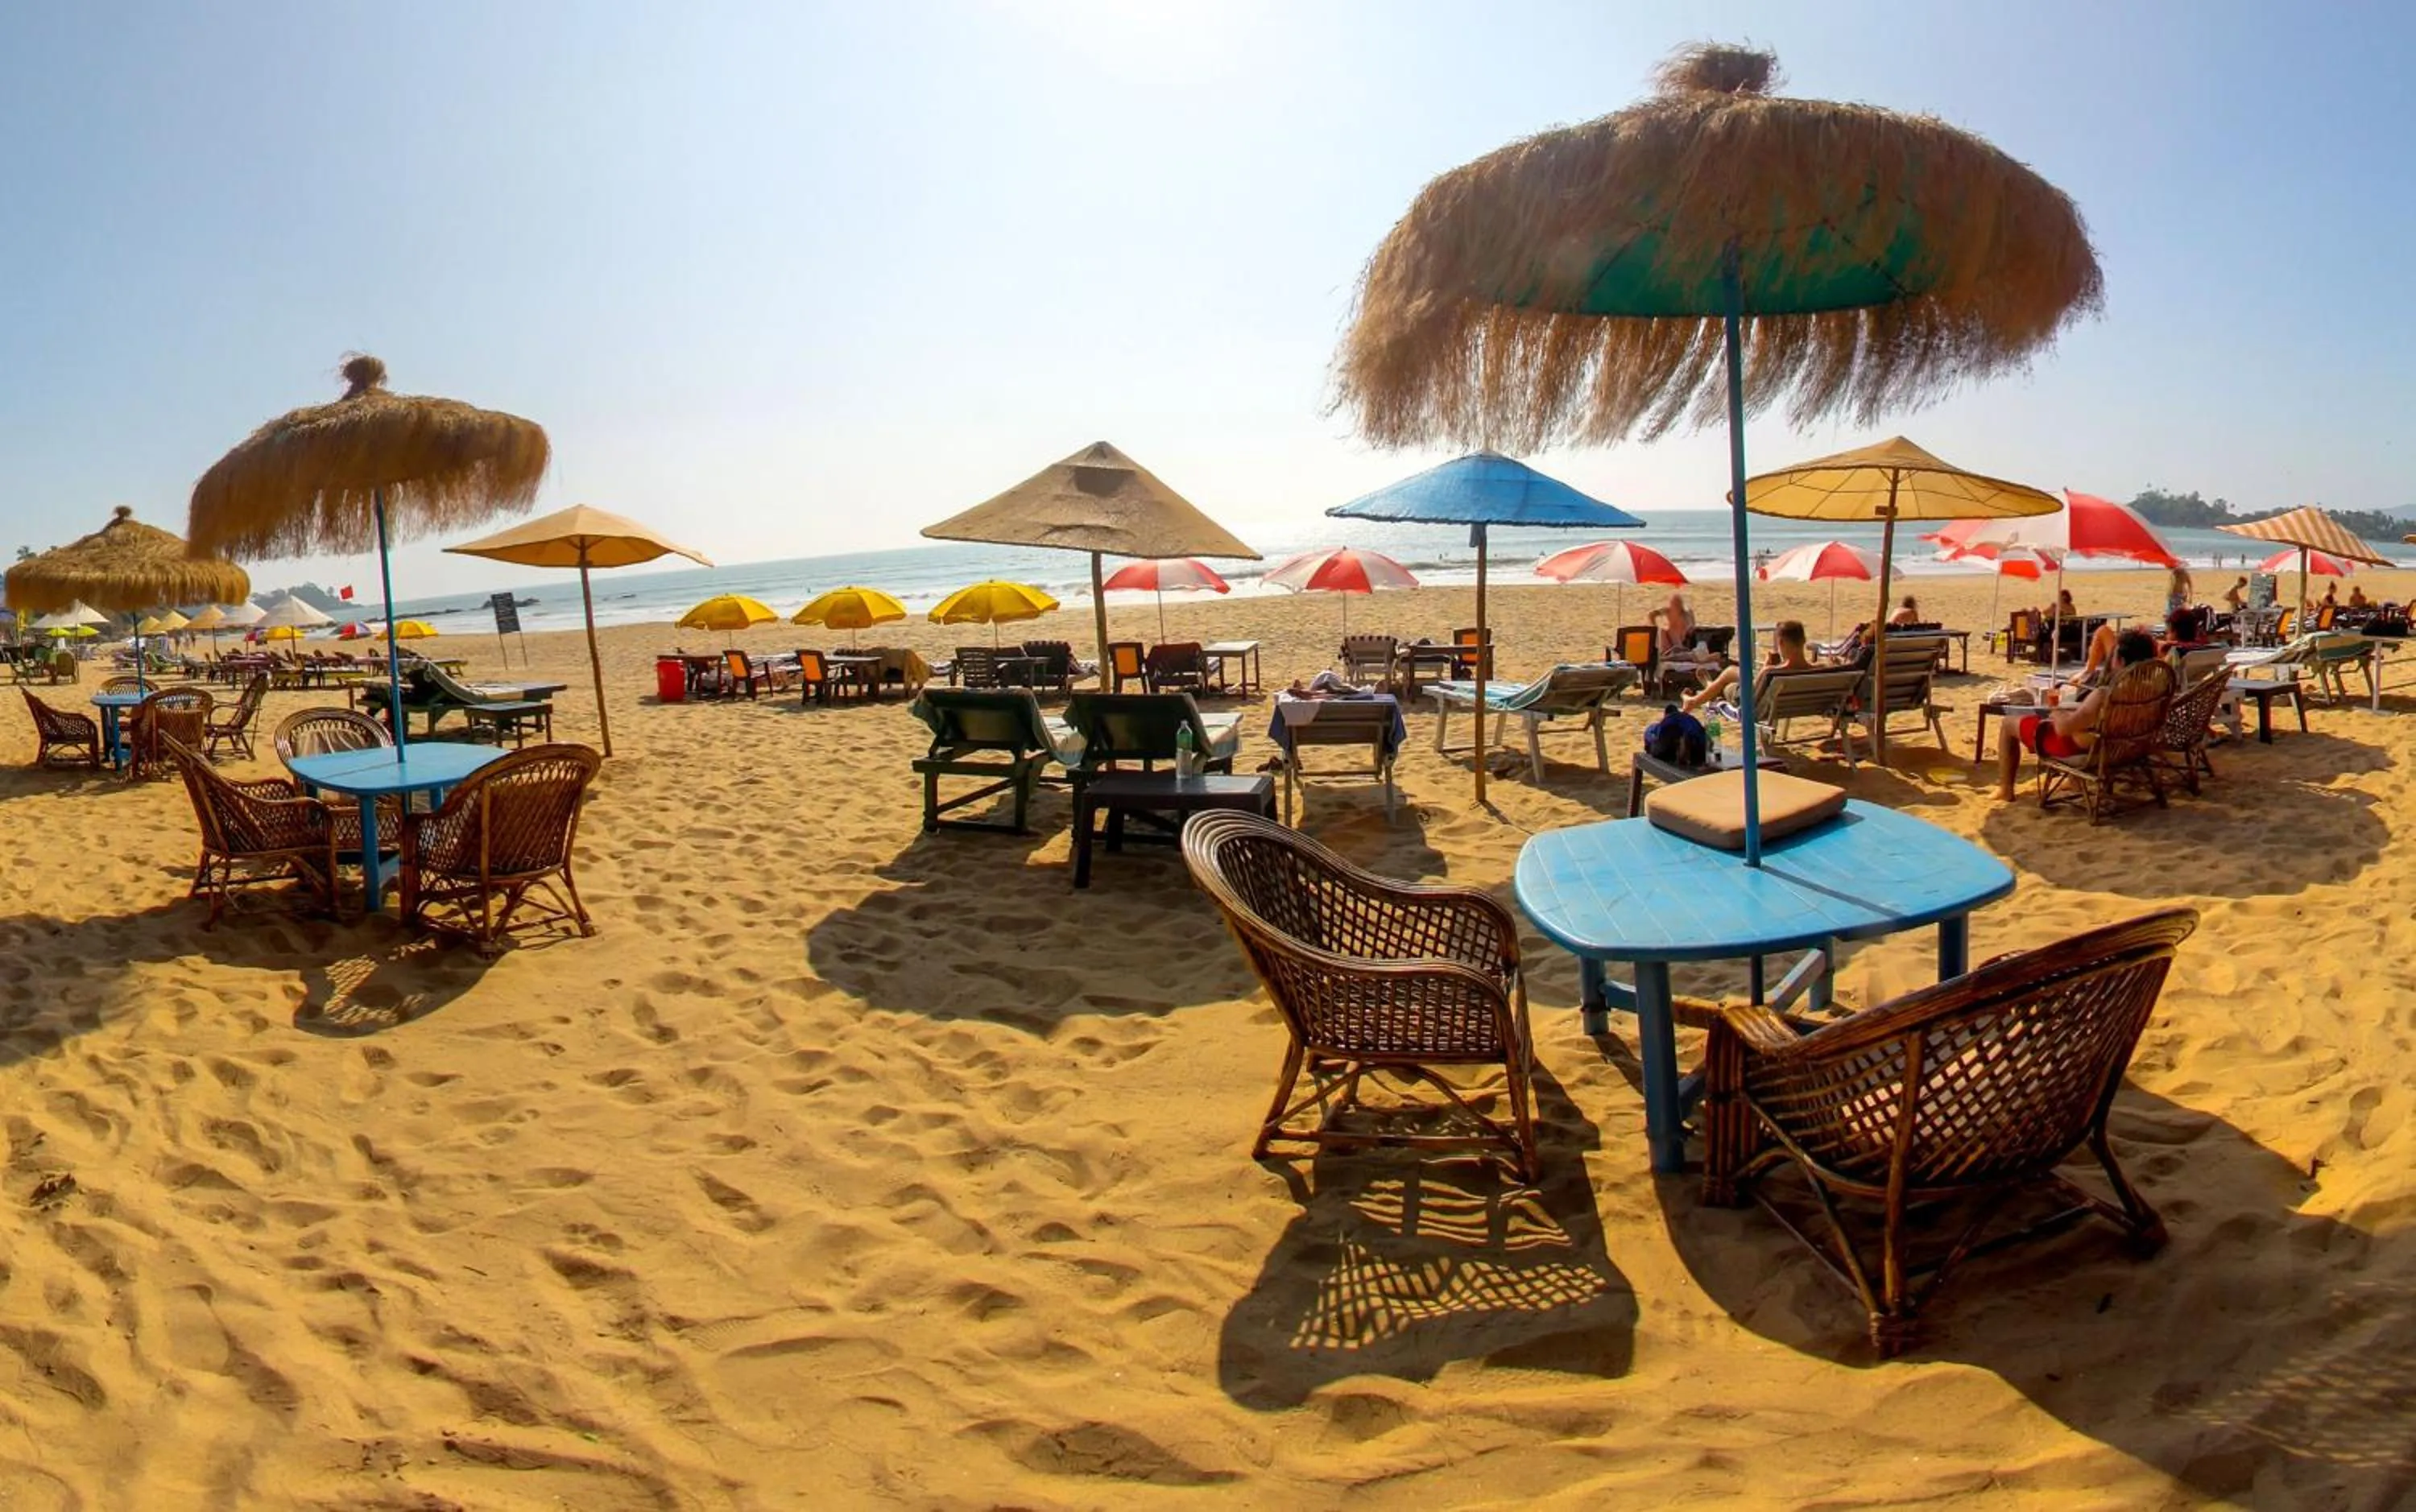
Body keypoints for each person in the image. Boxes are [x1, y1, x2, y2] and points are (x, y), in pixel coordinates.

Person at [1997, 628, 2157, 799]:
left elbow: (2063, 729)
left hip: (2091, 753)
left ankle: (2006, 790)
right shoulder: (2154, 692)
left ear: (2121, 661)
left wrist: (2055, 710)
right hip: (2130, 750)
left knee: (2009, 723)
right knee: (2079, 723)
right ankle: (2075, 783)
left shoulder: (2105, 695)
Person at [1682, 618, 1815, 713]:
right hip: (1796, 704)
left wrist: (1765, 667)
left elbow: (1750, 693)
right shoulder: (1819, 669)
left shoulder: (1771, 672)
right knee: (1733, 674)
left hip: (1746, 700)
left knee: (1729, 675)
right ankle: (1711, 687)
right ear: (1803, 640)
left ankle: (1695, 700)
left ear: (1781, 643)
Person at [1647, 593, 1695, 657]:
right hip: (1671, 658)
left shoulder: (1686, 615)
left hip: (1683, 639)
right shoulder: (1667, 612)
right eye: (1674, 604)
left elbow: (1691, 623)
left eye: (1678, 604)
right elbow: (1652, 614)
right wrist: (1654, 627)